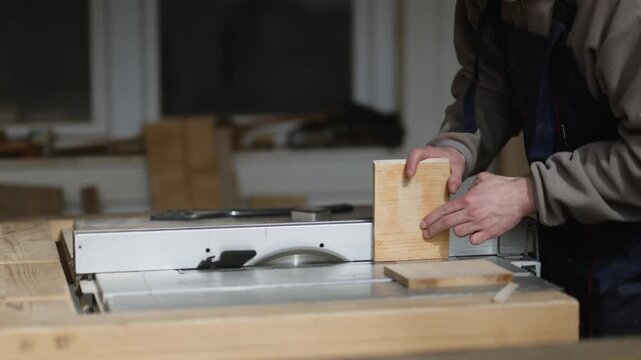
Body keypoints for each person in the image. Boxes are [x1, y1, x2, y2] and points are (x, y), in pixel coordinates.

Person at [405, 0, 641, 337]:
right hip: (560, 241)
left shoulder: (623, 13)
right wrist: (456, 149)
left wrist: (528, 193)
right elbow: (487, 84)